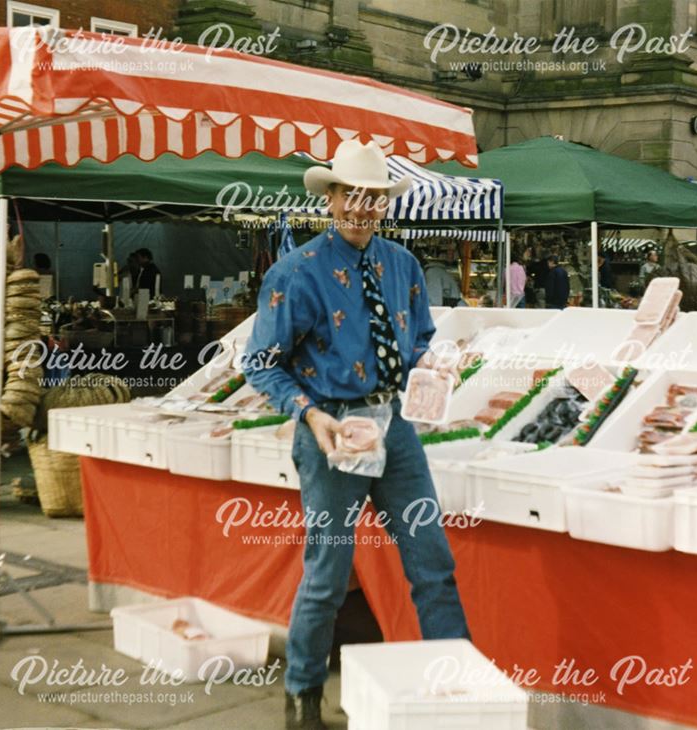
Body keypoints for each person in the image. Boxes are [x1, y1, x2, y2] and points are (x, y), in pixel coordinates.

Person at [243, 140, 470, 730]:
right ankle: (303, 698)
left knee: (432, 561)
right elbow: (262, 361)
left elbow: (418, 340)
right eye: (350, 194)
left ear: (383, 205)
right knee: (328, 573)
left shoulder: (404, 266)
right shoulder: (295, 272)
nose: (361, 206)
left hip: (394, 429)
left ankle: (458, 689)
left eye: (372, 197)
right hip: (332, 431)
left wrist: (439, 361)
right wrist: (310, 415)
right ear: (333, 198)